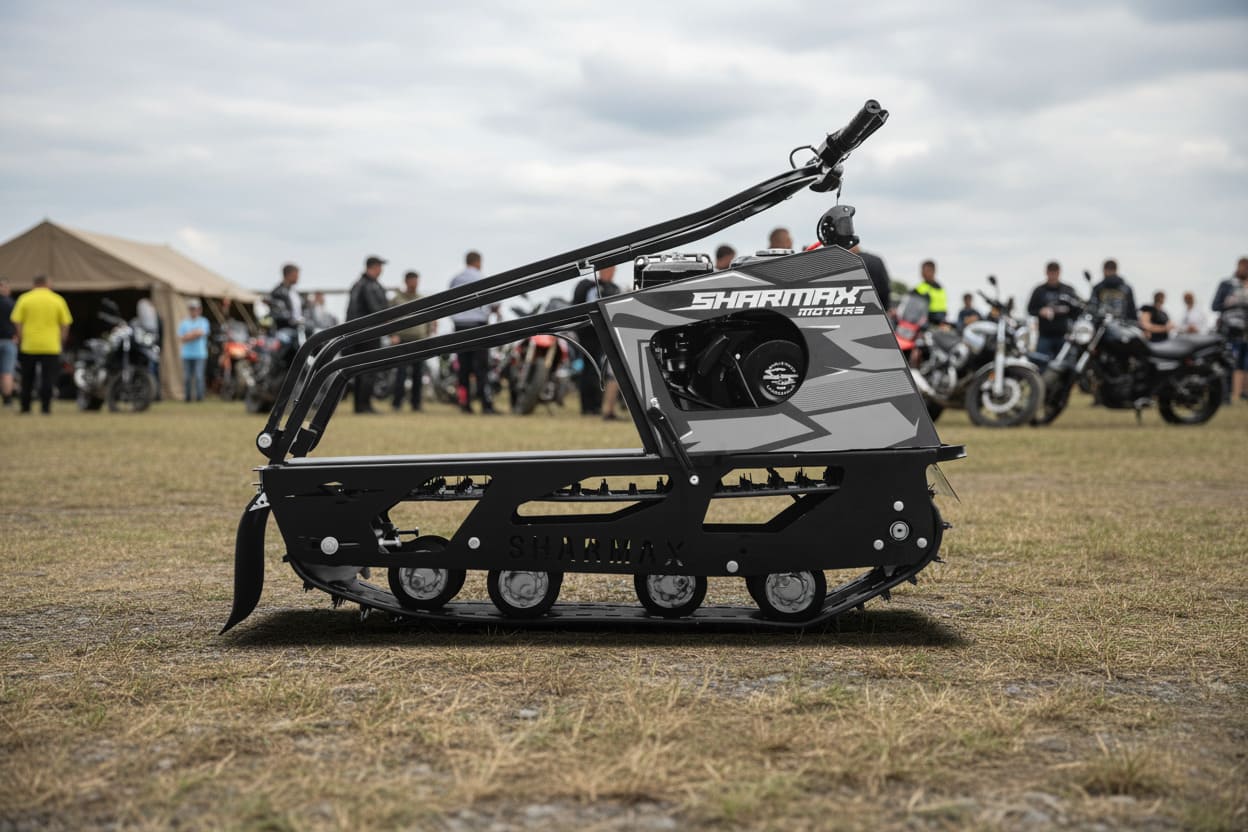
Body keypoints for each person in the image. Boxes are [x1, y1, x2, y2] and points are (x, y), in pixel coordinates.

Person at [9, 274, 72, 415]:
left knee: (27, 378)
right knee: (48, 378)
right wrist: (61, 339)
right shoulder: (57, 299)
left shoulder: (25, 298)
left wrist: (21, 336)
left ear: (34, 284)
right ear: (47, 284)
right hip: (51, 345)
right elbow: (65, 323)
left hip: (29, 345)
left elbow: (16, 321)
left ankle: (25, 407)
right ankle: (46, 408)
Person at [448, 251, 497, 414]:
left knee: (463, 367)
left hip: (460, 326)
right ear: (478, 262)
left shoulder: (455, 279)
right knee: (481, 367)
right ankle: (486, 404)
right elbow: (494, 302)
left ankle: (465, 403)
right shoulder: (481, 277)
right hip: (478, 325)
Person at [572, 265, 622, 416]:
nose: (612, 273)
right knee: (591, 370)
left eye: (613, 270)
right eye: (610, 270)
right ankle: (589, 406)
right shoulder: (594, 288)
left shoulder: (612, 288)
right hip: (591, 335)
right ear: (602, 271)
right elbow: (593, 313)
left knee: (596, 370)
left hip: (599, 335)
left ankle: (594, 405)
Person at [347, 256, 389, 414]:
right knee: (368, 369)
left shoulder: (361, 284)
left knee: (361, 370)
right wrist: (388, 317)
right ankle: (364, 405)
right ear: (374, 267)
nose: (381, 270)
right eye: (380, 266)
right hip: (368, 333)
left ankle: (361, 405)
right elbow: (376, 310)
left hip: (361, 332)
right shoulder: (368, 285)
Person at [390, 271, 433, 411]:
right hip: (402, 340)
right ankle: (397, 403)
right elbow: (388, 318)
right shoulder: (396, 300)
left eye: (416, 281)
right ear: (406, 282)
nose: (415, 284)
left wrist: (428, 334)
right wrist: (392, 335)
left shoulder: (422, 299)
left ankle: (416, 403)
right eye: (412, 281)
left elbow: (429, 318)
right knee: (401, 373)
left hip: (419, 340)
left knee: (418, 373)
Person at [1212, 257, 1248, 402]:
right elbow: (1215, 306)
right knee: (1228, 362)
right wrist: (1230, 304)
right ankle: (1225, 395)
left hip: (1245, 333)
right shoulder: (1226, 285)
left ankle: (1243, 393)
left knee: (1244, 363)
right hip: (1229, 331)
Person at [1027, 261, 1078, 358]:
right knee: (1039, 361)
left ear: (1059, 272)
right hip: (1045, 336)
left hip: (1064, 335)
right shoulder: (1039, 291)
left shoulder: (1068, 290)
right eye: (1051, 272)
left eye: (1055, 272)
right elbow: (1030, 310)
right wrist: (1040, 311)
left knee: (1066, 362)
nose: (1053, 275)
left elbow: (1076, 310)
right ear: (1046, 272)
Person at [177, 299, 211, 402]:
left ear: (199, 310)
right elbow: (182, 338)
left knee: (199, 376)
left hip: (200, 354)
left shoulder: (203, 321)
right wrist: (194, 334)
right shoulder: (184, 323)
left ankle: (200, 398)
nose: (193, 311)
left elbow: (201, 333)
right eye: (191, 309)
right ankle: (187, 398)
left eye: (195, 309)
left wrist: (189, 335)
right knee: (187, 377)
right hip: (187, 354)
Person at [849, 244, 891, 312]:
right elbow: (885, 288)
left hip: (848, 310)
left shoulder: (840, 262)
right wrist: (885, 309)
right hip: (874, 310)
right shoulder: (875, 260)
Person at [913, 260, 948, 326]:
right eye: (922, 271)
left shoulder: (941, 289)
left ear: (933, 271)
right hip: (923, 323)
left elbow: (943, 308)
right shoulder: (918, 288)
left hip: (938, 323)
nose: (923, 273)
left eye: (926, 271)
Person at [269, 263, 303, 329]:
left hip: (298, 327)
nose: (298, 277)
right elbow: (279, 312)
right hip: (285, 328)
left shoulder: (294, 292)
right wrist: (292, 321)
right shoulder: (278, 292)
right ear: (288, 275)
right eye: (296, 275)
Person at [0, 279, 16, 406]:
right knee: (7, 372)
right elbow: (18, 322)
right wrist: (17, 336)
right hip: (9, 340)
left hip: (9, 340)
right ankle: (7, 400)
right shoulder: (12, 304)